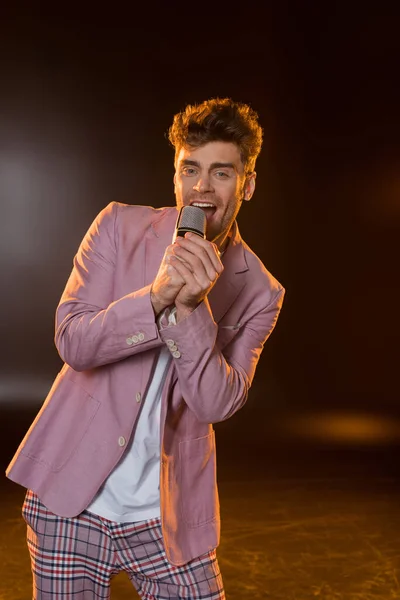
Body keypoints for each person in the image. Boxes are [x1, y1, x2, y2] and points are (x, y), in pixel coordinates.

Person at [6, 98, 285, 599]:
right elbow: (73, 340)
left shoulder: (261, 291)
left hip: (168, 517)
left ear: (248, 184)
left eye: (221, 172)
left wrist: (190, 308)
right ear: (175, 176)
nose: (201, 186)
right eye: (190, 169)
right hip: (71, 500)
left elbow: (218, 402)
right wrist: (156, 298)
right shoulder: (116, 226)